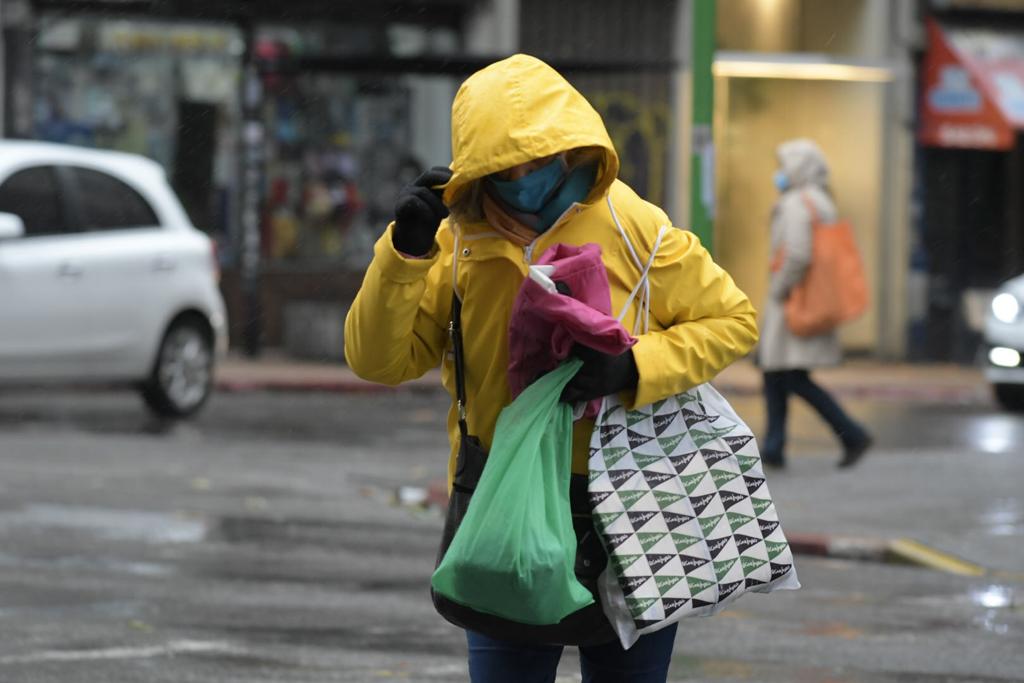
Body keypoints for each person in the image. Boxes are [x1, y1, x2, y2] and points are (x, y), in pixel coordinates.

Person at [344, 54, 758, 683]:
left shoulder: (634, 226)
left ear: (571, 150)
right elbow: (377, 362)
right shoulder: (455, 242)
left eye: (537, 161)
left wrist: (634, 367)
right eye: (504, 169)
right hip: (501, 504)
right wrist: (402, 253)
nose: (522, 180)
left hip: (629, 507)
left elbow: (732, 320)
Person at [759, 138, 873, 469]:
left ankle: (851, 434)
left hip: (794, 301)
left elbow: (797, 253)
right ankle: (774, 446)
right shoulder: (820, 200)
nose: (779, 173)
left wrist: (779, 291)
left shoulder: (797, 203)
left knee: (790, 377)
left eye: (784, 165)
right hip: (808, 296)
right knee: (777, 375)